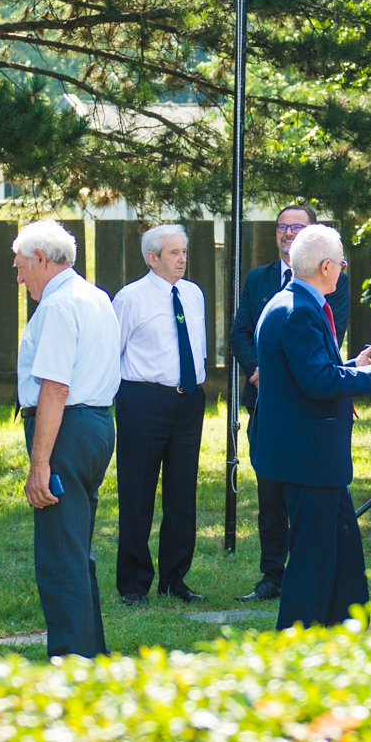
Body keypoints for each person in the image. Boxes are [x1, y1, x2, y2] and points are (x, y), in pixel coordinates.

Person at [251, 225, 371, 629]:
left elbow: (317, 369)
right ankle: (297, 635)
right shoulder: (300, 310)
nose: (342, 269)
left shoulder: (294, 301)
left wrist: (359, 364)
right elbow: (317, 382)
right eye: (341, 263)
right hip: (307, 452)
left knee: (343, 540)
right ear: (325, 266)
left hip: (310, 451)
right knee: (313, 548)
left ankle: (346, 622)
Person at [230, 204, 350, 603]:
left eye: (297, 227)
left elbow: (327, 338)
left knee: (310, 506)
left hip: (308, 411)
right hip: (270, 400)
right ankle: (274, 574)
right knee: (271, 494)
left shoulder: (332, 287)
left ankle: (309, 580)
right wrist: (262, 368)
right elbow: (240, 333)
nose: (288, 232)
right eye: (282, 226)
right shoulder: (261, 280)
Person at [14, 219, 120, 658]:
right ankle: (90, 653)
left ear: (41, 259)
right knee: (76, 548)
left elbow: (54, 386)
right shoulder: (96, 297)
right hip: (96, 424)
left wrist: (40, 464)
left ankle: (72, 660)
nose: (19, 278)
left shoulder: (57, 307)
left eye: (21, 267)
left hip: (66, 428)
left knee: (60, 554)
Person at [111, 224, 208, 605]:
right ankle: (134, 583)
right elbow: (112, 353)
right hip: (143, 400)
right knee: (137, 492)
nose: (182, 259)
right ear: (153, 258)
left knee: (182, 493)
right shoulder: (130, 298)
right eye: (173, 253)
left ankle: (175, 578)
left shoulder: (193, 294)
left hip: (188, 401)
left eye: (184, 252)